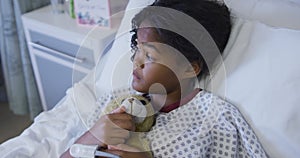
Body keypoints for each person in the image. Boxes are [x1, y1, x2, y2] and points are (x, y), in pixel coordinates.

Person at [0, 0, 268, 157]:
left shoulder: (218, 121)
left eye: (149, 55)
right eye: (135, 47)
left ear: (190, 68)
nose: (135, 60)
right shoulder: (115, 104)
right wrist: (89, 137)